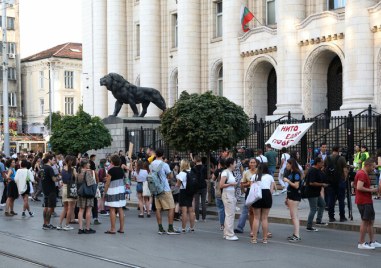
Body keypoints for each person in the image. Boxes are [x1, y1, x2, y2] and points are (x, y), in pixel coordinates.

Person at [150, 148, 180, 235]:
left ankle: (160, 228)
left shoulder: (152, 164)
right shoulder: (164, 164)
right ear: (163, 155)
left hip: (156, 189)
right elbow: (170, 176)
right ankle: (170, 228)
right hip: (165, 189)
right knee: (171, 207)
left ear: (156, 154)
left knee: (158, 209)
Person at [354, 158, 381, 250]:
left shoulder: (362, 173)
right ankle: (361, 243)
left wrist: (369, 188)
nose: (374, 168)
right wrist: (371, 190)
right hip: (364, 201)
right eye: (373, 166)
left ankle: (372, 241)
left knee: (370, 221)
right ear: (367, 165)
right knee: (365, 221)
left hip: (366, 200)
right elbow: (359, 187)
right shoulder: (362, 174)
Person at [251, 163, 275, 244]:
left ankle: (254, 238)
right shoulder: (270, 177)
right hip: (266, 195)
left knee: (256, 218)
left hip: (257, 195)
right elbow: (271, 191)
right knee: (264, 218)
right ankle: (265, 239)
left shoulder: (254, 176)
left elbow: (252, 189)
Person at [234, 158, 258, 235]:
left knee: (257, 211)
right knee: (250, 211)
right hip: (249, 192)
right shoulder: (246, 172)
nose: (252, 164)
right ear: (249, 164)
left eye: (254, 162)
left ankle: (255, 228)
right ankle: (251, 229)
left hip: (258, 193)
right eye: (251, 162)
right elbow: (242, 184)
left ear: (256, 163)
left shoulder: (259, 172)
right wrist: (248, 184)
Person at [324, 145, 348, 222]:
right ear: (338, 150)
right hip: (340, 181)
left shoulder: (327, 158)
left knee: (331, 199)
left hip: (330, 181)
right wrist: (345, 178)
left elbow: (324, 168)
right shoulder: (341, 158)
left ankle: (331, 217)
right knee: (341, 200)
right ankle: (342, 216)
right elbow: (345, 170)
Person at [305, 157, 329, 231]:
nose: (323, 164)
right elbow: (311, 183)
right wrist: (322, 184)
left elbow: (323, 177)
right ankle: (309, 226)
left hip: (316, 192)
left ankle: (318, 220)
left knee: (322, 204)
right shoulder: (312, 171)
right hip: (311, 192)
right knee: (313, 209)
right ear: (317, 163)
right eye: (321, 162)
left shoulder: (318, 170)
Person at [104, 155, 127, 234]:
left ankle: (113, 228)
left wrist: (104, 191)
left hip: (113, 190)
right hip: (121, 190)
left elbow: (108, 183)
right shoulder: (121, 169)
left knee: (112, 209)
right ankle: (121, 228)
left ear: (112, 162)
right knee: (120, 209)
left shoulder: (111, 170)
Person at [220, 157, 238, 241]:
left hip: (230, 194)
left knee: (230, 215)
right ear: (231, 164)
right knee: (229, 215)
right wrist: (231, 184)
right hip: (227, 194)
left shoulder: (230, 172)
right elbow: (221, 185)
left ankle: (226, 233)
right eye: (235, 163)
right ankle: (229, 234)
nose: (236, 165)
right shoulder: (225, 172)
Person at [284, 158, 302, 242]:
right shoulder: (291, 173)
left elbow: (296, 185)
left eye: (288, 164)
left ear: (292, 164)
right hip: (291, 196)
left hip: (294, 197)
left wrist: (287, 181)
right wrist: (287, 197)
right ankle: (295, 234)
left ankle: (297, 235)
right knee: (293, 216)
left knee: (294, 216)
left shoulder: (296, 173)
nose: (286, 165)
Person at [57, 155, 77, 231]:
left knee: (65, 208)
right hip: (70, 188)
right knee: (70, 208)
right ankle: (67, 224)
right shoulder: (73, 169)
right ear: (71, 161)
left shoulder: (62, 169)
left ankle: (59, 224)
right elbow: (76, 179)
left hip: (64, 189)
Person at [77, 159, 97, 234]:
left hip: (81, 193)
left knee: (81, 210)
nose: (89, 165)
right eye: (88, 164)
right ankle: (87, 228)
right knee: (88, 210)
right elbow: (90, 183)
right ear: (85, 165)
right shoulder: (87, 172)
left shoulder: (78, 172)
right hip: (88, 193)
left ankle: (80, 228)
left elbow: (77, 182)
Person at [176, 159, 196, 233]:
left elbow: (178, 184)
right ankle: (192, 227)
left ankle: (183, 228)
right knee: (191, 210)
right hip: (190, 191)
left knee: (184, 211)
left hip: (183, 191)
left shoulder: (182, 173)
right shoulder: (191, 171)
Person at [42, 155, 60, 229]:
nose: (54, 161)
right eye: (53, 160)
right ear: (49, 160)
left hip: (45, 189)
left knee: (46, 207)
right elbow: (54, 179)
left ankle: (45, 223)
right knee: (50, 207)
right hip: (51, 190)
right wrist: (59, 178)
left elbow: (41, 178)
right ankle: (48, 224)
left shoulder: (42, 167)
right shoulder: (50, 168)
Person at [193, 156, 207, 222]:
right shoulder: (204, 167)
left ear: (195, 161)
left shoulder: (194, 168)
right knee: (203, 202)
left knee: (197, 202)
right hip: (203, 185)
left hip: (196, 187)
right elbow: (206, 176)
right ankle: (204, 218)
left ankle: (197, 218)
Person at [212, 158, 226, 231]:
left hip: (219, 192)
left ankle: (222, 225)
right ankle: (227, 224)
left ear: (219, 164)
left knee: (220, 209)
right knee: (226, 209)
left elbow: (213, 178)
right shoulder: (228, 171)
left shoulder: (218, 171)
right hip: (226, 192)